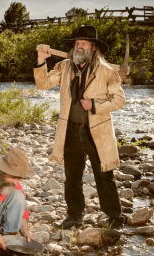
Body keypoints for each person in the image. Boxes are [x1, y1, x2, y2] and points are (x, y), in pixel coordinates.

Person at [33, 25, 126, 231]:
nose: (79, 47)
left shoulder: (107, 72)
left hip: (97, 132)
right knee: (72, 177)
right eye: (77, 43)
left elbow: (119, 100)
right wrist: (41, 60)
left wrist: (94, 105)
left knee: (104, 177)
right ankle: (74, 216)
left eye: (83, 43)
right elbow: (43, 84)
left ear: (93, 47)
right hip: (71, 131)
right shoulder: (65, 67)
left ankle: (115, 219)